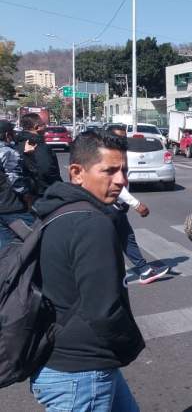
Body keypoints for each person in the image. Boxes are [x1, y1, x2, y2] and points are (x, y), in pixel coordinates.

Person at [31, 130, 144, 411]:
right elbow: (104, 310)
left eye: (123, 170)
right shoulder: (93, 223)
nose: (121, 180)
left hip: (70, 361)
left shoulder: (58, 209)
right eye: (109, 171)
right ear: (77, 172)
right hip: (80, 375)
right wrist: (130, 344)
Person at [107, 124, 169, 284]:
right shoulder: (109, 155)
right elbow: (115, 185)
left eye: (123, 136)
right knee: (117, 239)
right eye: (118, 137)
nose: (122, 140)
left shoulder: (120, 153)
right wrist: (136, 204)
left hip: (118, 206)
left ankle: (144, 270)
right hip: (109, 205)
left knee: (126, 238)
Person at [0, 120, 35, 248]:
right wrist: (28, 200)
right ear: (7, 135)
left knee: (5, 247)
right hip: (12, 206)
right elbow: (15, 180)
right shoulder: (8, 152)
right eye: (12, 132)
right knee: (35, 237)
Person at [17, 112, 62, 199]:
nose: (46, 127)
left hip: (22, 193)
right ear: (37, 127)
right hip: (41, 194)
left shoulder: (17, 144)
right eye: (43, 124)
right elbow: (47, 171)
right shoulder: (41, 146)